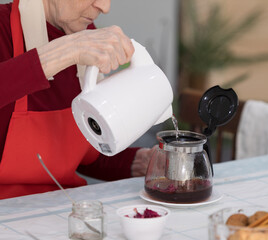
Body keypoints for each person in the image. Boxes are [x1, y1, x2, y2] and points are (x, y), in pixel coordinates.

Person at [0, 0, 154, 199]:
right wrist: (67, 51)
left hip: (62, 210)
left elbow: (83, 155)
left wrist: (139, 162)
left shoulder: (84, 35)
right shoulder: (4, 28)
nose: (104, 7)